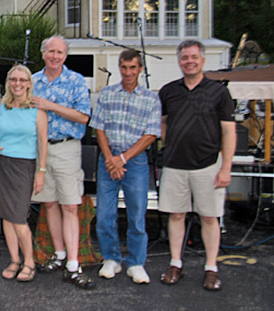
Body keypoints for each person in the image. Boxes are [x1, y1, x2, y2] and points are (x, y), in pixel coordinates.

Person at [158, 40, 236, 291]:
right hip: (174, 165)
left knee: (209, 218)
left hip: (208, 165)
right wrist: (167, 145)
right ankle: (175, 263)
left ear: (202, 61)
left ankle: (211, 268)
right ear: (179, 61)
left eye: (193, 57)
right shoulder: (168, 91)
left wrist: (226, 167)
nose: (189, 61)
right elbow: (162, 124)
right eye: (184, 58)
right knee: (176, 215)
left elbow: (229, 132)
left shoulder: (218, 92)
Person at [89, 49, 161, 284]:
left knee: (137, 214)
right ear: (119, 68)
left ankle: (136, 262)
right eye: (124, 67)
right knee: (104, 214)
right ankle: (110, 258)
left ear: (140, 69)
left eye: (133, 67)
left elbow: (151, 134)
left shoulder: (151, 98)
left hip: (135, 162)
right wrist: (111, 158)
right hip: (108, 160)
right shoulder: (107, 94)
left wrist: (123, 159)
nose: (128, 72)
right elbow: (98, 127)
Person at [29, 36, 95, 289]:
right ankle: (58, 255)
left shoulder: (76, 81)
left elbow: (83, 117)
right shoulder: (32, 81)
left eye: (60, 52)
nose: (55, 56)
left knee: (70, 206)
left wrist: (50, 106)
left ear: (65, 56)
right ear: (43, 53)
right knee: (50, 203)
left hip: (67, 148)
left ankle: (73, 262)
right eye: (51, 51)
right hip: (40, 151)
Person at [0, 64, 48, 282]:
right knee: (6, 216)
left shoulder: (37, 110)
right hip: (0, 165)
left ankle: (29, 262)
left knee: (19, 217)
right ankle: (14, 260)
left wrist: (41, 172)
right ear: (8, 82)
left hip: (23, 167)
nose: (17, 84)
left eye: (22, 80)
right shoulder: (2, 106)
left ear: (29, 84)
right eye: (13, 79)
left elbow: (43, 143)